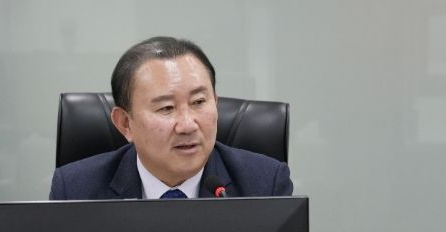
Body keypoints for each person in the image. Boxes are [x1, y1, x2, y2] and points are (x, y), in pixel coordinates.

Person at [49, 36, 293, 200]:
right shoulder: (74, 190)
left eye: (199, 102)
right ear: (125, 123)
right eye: (166, 108)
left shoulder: (265, 185)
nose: (187, 125)